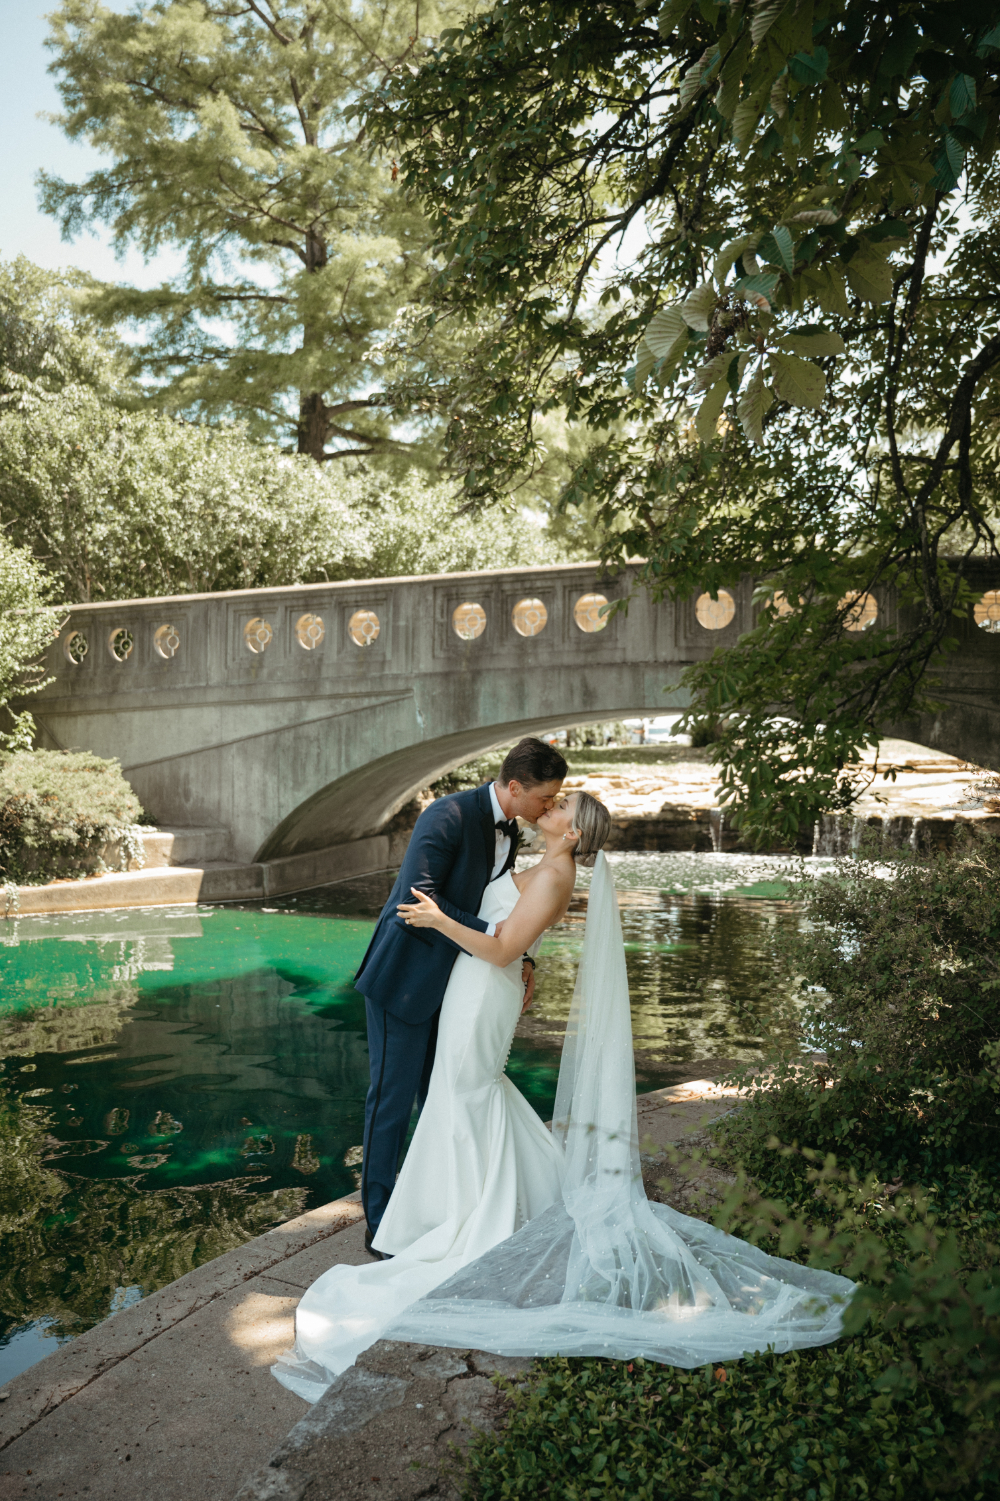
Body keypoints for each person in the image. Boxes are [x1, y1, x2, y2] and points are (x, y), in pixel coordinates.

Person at [273, 789, 854, 1400]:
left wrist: (440, 920)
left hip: (482, 991)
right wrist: (518, 958)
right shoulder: (545, 863)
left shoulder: (556, 873)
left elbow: (500, 946)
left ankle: (474, 1219)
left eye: (560, 810)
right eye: (550, 803)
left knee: (468, 1090)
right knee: (466, 1093)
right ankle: (483, 1200)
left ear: (573, 834)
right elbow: (513, 943)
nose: (549, 809)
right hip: (474, 986)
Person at [353, 736, 567, 1257]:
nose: (549, 807)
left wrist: (524, 956)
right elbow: (414, 897)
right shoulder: (445, 816)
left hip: (459, 983)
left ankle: (439, 1209)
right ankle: (379, 1223)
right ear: (515, 787)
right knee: (391, 1102)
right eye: (545, 798)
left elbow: (506, 900)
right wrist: (500, 938)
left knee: (441, 1099)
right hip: (404, 979)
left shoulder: (512, 829)